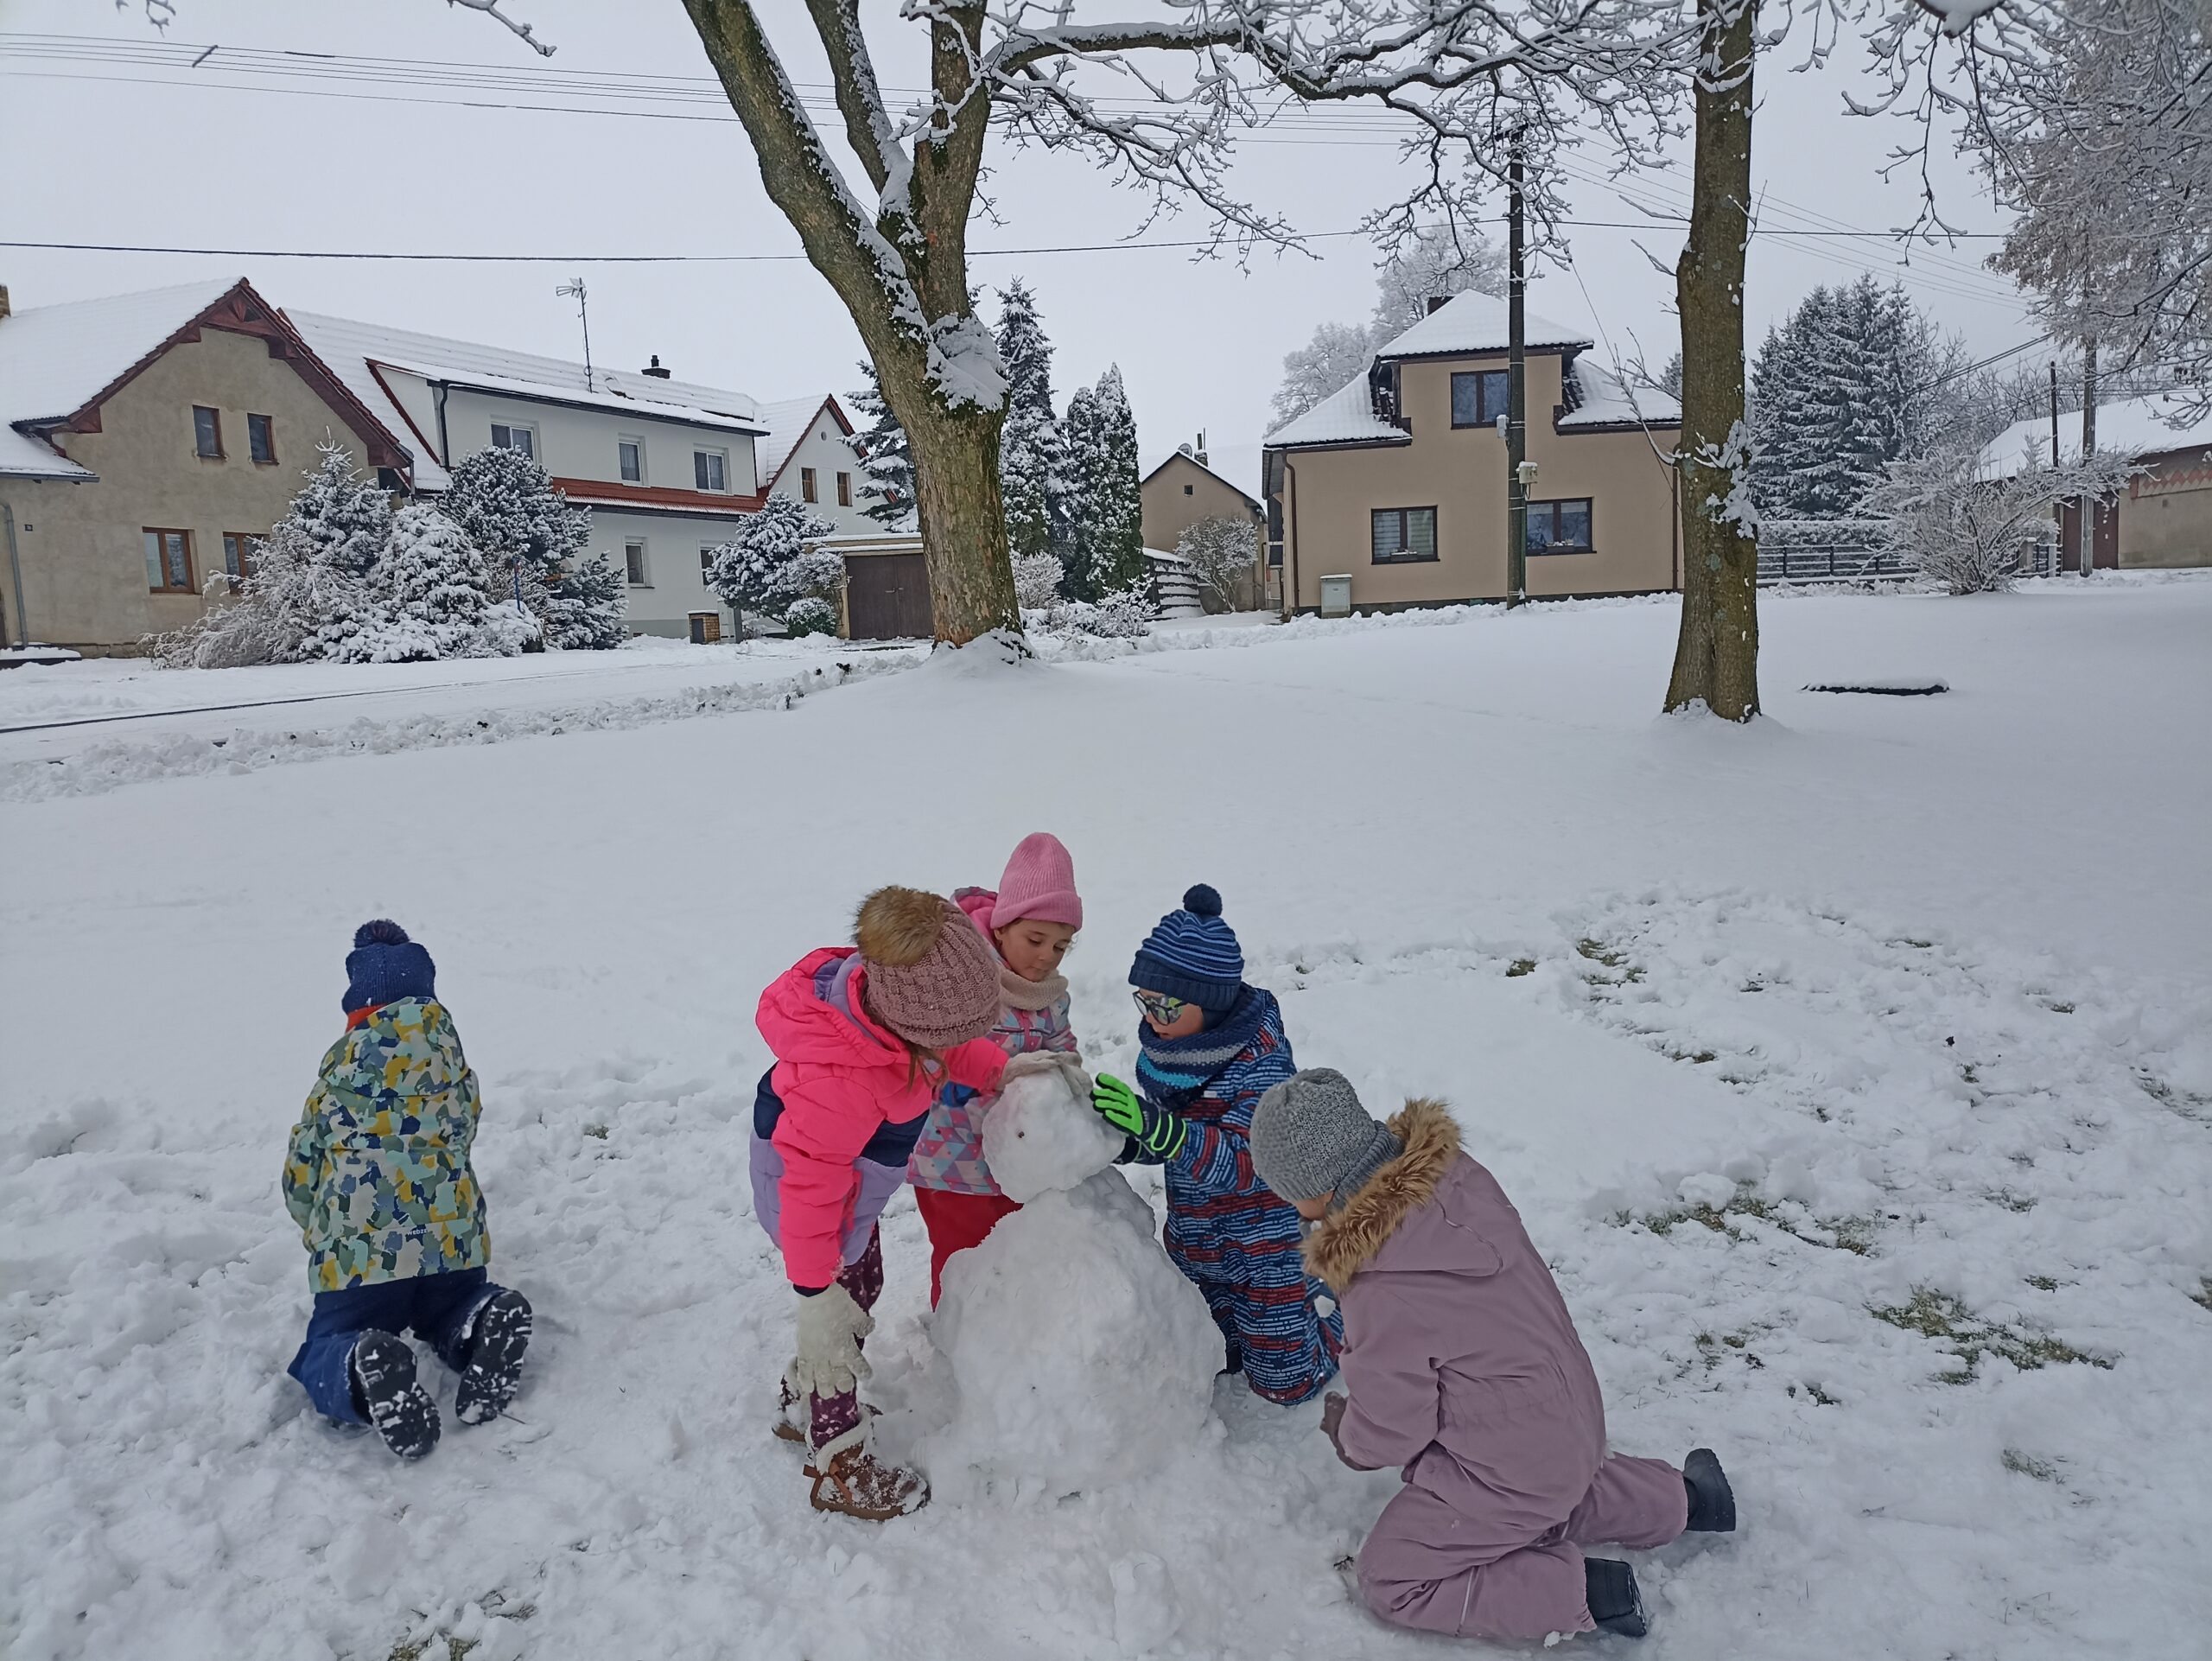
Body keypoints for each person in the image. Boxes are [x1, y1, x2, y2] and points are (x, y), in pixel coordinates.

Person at [1248, 1069, 1738, 1643]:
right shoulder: (1456, 1182)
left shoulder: (1381, 1286)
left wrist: (1351, 1436)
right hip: (1567, 1418)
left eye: (1289, 1192)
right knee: (1559, 1488)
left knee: (1392, 1578)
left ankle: (1580, 1593)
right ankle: (1687, 1500)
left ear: (1320, 1189)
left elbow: (1394, 1427)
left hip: (1514, 1465)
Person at [753, 885, 1043, 1519]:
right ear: (914, 1026)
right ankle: (838, 1460)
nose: (953, 1045)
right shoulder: (839, 1085)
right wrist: (814, 1295)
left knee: (866, 1283)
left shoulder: (899, 1017)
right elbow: (807, 1190)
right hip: (814, 1209)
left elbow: (953, 1047)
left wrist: (1002, 1070)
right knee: (840, 1323)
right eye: (948, 1035)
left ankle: (799, 1403)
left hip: (851, 1190)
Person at [282, 920, 532, 1460]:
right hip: (453, 1247)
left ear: (357, 1015)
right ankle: (483, 1317)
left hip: (360, 1258)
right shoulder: (457, 1076)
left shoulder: (336, 1082)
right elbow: (462, 1141)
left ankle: (358, 1363)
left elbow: (302, 1173)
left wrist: (317, 1229)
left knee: (329, 1341)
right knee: (449, 1307)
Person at [1085, 885, 1342, 1404]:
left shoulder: (1262, 1070)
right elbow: (1174, 1143)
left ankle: (1331, 1305)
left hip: (1263, 1250)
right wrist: (1127, 1140)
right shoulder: (1174, 1053)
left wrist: (1161, 1129)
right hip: (1199, 1245)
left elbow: (1248, 1163)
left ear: (1211, 1004)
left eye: (1165, 1005)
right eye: (1145, 1001)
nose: (1151, 1016)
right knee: (1212, 1356)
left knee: (1284, 1384)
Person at [908, 832, 1085, 1306]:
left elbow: (1063, 1047)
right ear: (1003, 927)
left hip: (1017, 1159)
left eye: (1061, 946)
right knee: (963, 1258)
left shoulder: (1051, 996)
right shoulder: (959, 980)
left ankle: (1007, 1333)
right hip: (953, 1160)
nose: (1046, 956)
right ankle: (957, 1331)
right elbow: (934, 1056)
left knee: (1014, 1254)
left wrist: (1068, 1081)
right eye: (1035, 940)